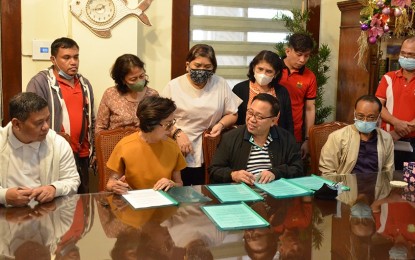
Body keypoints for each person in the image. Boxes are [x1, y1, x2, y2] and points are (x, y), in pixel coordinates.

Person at [161, 44, 242, 185]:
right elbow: (160, 120)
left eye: (207, 67)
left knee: (207, 191)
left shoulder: (220, 83)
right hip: (179, 146)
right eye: (197, 65)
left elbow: (233, 113)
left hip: (210, 146)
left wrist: (221, 125)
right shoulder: (173, 86)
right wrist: (177, 133)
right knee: (181, 190)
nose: (201, 70)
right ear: (187, 65)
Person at [26, 37, 95, 194]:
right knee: (56, 201)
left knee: (81, 202)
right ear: (53, 59)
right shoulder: (40, 82)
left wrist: (94, 150)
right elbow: (32, 119)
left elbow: (91, 118)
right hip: (52, 153)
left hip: (82, 153)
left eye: (76, 57)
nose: (73, 62)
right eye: (66, 57)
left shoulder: (84, 83)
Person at [0, 92, 80, 207]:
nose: (46, 127)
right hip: (5, 216)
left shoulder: (58, 144)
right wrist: (4, 195)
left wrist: (54, 189)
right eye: (39, 123)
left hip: (45, 214)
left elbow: (72, 180)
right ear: (17, 124)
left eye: (47, 119)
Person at [209, 93, 303, 184]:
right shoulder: (230, 137)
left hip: (276, 193)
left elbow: (298, 168)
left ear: (273, 121)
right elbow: (214, 170)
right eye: (250, 113)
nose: (252, 119)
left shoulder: (286, 138)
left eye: (259, 117)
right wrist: (233, 175)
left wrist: (276, 173)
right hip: (243, 192)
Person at [319, 95, 394, 201]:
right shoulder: (337, 137)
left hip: (374, 194)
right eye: (360, 116)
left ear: (378, 117)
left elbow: (388, 172)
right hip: (344, 193)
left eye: (371, 117)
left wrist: (380, 198)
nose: (365, 121)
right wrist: (343, 195)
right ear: (354, 113)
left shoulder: (386, 139)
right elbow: (327, 173)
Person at [106, 96, 186, 194]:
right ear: (151, 124)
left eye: (172, 122)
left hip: (164, 203)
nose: (171, 129)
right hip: (133, 203)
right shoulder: (125, 146)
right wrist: (116, 186)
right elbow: (111, 183)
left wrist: (171, 183)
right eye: (168, 124)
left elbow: (179, 183)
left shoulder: (172, 146)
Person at [375, 36, 415, 170]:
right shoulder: (388, 77)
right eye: (403, 53)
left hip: (413, 144)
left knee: (409, 185)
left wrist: (400, 132)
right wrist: (396, 123)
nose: (406, 57)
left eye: (410, 55)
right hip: (388, 140)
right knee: (385, 181)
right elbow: (378, 106)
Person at [233, 50, 294, 134]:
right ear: (254, 68)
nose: (263, 74)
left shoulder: (282, 91)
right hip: (245, 140)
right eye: (260, 69)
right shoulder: (239, 89)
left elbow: (288, 123)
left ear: (276, 73)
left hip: (276, 141)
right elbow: (233, 120)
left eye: (269, 71)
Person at [96, 54, 158, 133]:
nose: (139, 81)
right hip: (116, 143)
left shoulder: (152, 95)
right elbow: (100, 129)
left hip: (144, 143)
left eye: (142, 76)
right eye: (133, 79)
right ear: (122, 80)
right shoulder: (110, 94)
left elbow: (159, 126)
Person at [279, 33, 317, 158]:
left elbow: (310, 109)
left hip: (295, 136)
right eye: (299, 54)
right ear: (288, 51)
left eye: (306, 56)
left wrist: (307, 139)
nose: (302, 60)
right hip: (269, 132)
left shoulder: (310, 76)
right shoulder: (274, 69)